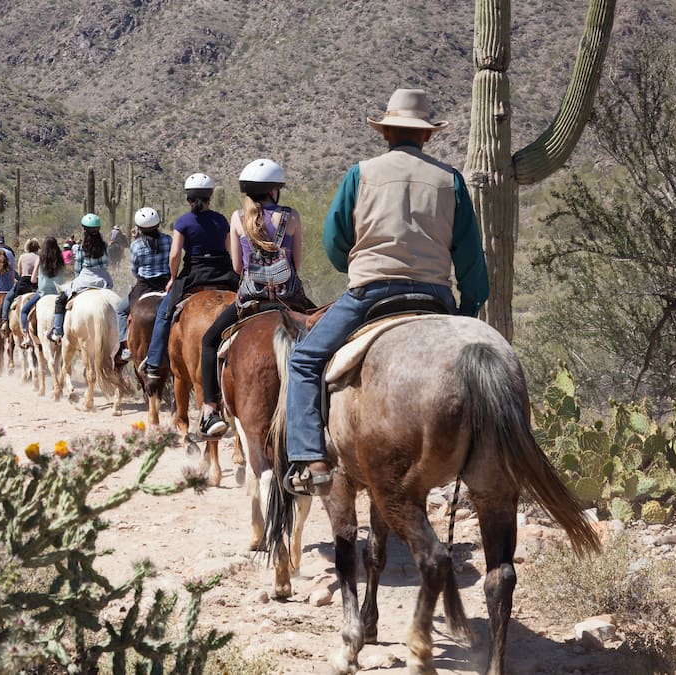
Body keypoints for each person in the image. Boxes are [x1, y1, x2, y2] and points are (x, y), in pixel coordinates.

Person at [281, 88, 489, 496]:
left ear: (385, 133)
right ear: (427, 136)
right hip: (435, 297)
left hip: (371, 294)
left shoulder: (361, 173)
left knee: (305, 361)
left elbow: (334, 239)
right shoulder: (451, 180)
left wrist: (352, 265)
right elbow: (470, 255)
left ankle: (311, 459)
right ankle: (482, 460)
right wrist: (469, 310)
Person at [196, 159, 313, 438]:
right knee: (327, 330)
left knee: (209, 340)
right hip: (290, 299)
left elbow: (237, 267)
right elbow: (296, 263)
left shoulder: (237, 218)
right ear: (275, 190)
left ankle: (210, 409)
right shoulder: (292, 217)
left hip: (252, 301)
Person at [141, 172, 238, 381]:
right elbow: (230, 248)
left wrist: (173, 278)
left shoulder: (183, 221)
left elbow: (175, 254)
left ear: (188, 198)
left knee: (165, 312)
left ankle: (154, 363)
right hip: (223, 272)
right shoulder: (221, 220)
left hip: (193, 275)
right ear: (210, 197)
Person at [115, 207, 172, 364]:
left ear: (139, 228)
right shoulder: (168, 240)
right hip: (166, 284)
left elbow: (134, 270)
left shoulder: (136, 245)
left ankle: (125, 347)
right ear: (158, 224)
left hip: (145, 286)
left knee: (120, 310)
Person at [48, 214, 112, 342]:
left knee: (61, 300)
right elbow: (107, 262)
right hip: (104, 279)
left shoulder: (80, 248)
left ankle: (57, 331)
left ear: (84, 230)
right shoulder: (105, 245)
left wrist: (77, 281)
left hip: (85, 278)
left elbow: (77, 270)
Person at [20, 236, 67, 342]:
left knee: (24, 311)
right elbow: (63, 278)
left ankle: (26, 335)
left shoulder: (40, 259)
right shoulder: (60, 260)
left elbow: (33, 280)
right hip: (58, 294)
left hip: (43, 293)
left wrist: (40, 279)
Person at [0, 239, 40, 332]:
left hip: (23, 283)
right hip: (35, 283)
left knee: (8, 298)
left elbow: (20, 272)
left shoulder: (22, 256)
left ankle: (5, 320)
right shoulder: (39, 257)